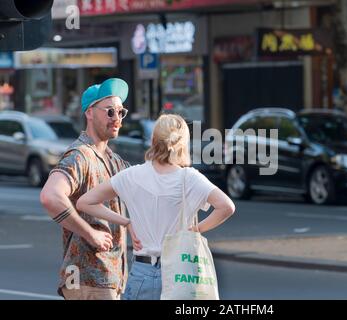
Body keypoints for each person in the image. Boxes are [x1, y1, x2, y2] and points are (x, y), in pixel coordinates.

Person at [76, 114, 235, 300]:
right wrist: (196, 230)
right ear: (183, 145)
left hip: (142, 273)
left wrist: (126, 221)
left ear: (153, 140)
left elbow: (84, 202)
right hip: (181, 274)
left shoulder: (131, 175)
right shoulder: (189, 179)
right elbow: (226, 207)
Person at [40, 78, 142, 300]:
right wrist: (90, 233)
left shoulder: (113, 160)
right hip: (89, 278)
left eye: (120, 112)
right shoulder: (79, 156)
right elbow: (50, 196)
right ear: (89, 112)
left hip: (107, 278)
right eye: (109, 112)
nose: (116, 118)